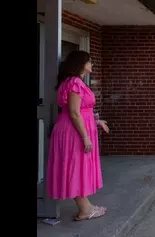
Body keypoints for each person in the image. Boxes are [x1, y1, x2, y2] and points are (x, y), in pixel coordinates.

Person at [47, 50, 110, 221]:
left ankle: (86, 206)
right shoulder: (74, 82)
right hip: (73, 132)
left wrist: (96, 122)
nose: (92, 64)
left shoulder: (73, 82)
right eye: (89, 61)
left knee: (78, 166)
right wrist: (85, 137)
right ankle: (85, 210)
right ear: (81, 63)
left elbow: (81, 111)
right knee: (75, 167)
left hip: (74, 128)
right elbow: (74, 113)